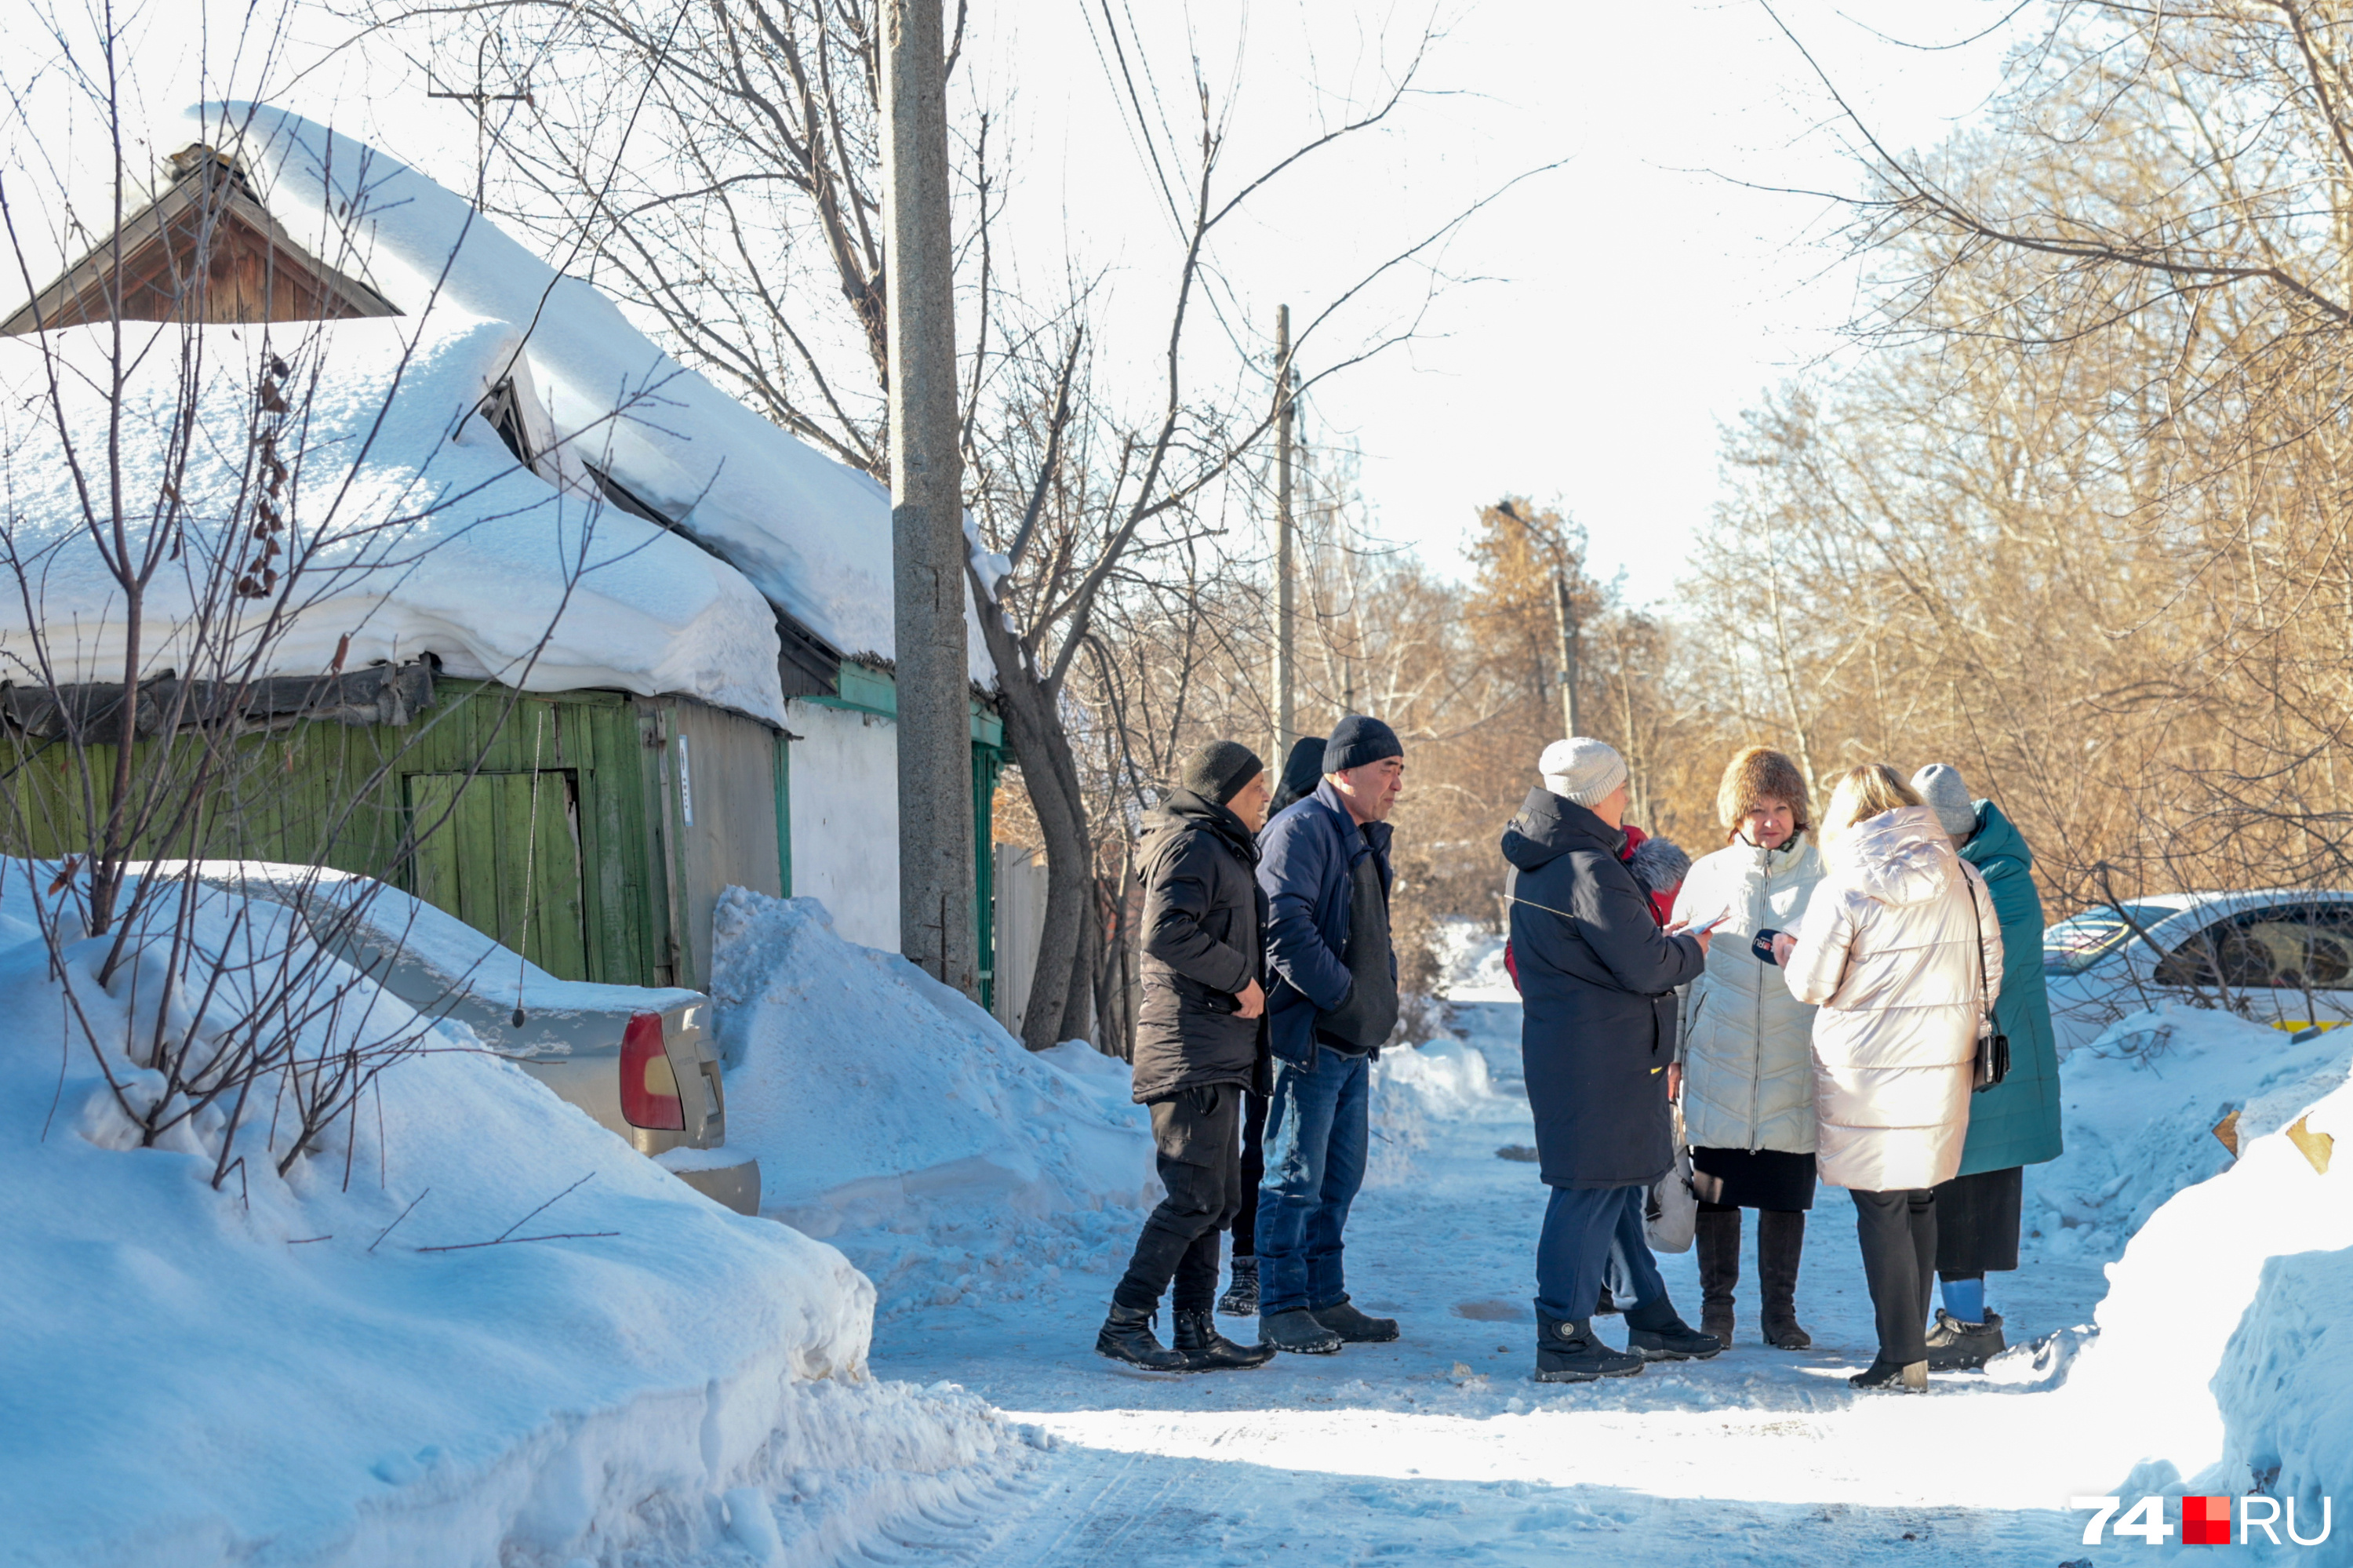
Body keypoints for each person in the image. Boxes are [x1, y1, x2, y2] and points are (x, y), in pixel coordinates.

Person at [1502, 737, 1721, 1382]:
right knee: (1587, 1191)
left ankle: (1648, 1313)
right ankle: (1563, 1335)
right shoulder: (1589, 869)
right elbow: (1646, 963)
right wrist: (1695, 944)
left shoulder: (1541, 861)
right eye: (1621, 787)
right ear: (1600, 793)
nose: (1627, 799)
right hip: (1599, 1056)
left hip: (1581, 1048)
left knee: (1616, 1187)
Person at [1777, 765, 2000, 1392]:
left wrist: (1789, 952)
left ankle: (1899, 1355)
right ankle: (1912, 1351)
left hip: (1866, 1068)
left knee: (1879, 1204)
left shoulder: (1845, 885)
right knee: (1921, 1195)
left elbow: (1812, 984)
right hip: (1943, 1057)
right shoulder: (1964, 874)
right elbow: (1990, 968)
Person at [1096, 740, 1278, 1373]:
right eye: (1258, 789)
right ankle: (1125, 1319)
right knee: (1193, 1198)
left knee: (1216, 1198)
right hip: (1189, 1047)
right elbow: (1168, 931)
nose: (1267, 799)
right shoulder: (1194, 844)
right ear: (1225, 790)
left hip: (1214, 1047)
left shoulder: (1219, 846)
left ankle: (1196, 1330)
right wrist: (1240, 978)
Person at [1253, 715, 1408, 1355]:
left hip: (1351, 1042)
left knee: (1338, 1179)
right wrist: (1344, 995)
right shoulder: (1303, 829)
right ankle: (1282, 1305)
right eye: (1386, 769)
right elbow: (1284, 929)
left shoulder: (1363, 835)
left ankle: (1324, 1295)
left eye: (1401, 770)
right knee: (1293, 1176)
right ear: (1343, 771)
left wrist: (1376, 998)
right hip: (1313, 1036)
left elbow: (1370, 933)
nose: (1397, 783)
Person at [1671, 747, 1827, 1349]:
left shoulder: (1825, 879)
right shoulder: (1705, 875)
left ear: (1798, 813)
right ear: (1735, 815)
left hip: (1794, 1056)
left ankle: (1780, 1314)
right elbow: (1680, 974)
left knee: (1786, 1193)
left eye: (1782, 807)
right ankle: (1717, 1310)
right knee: (1718, 1192)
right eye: (1757, 808)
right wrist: (1675, 1054)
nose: (1770, 821)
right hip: (1719, 1055)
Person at [1911, 763, 2064, 1369]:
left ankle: (1970, 1324)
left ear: (1959, 834)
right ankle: (1962, 1318)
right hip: (1963, 1061)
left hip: (1994, 1069)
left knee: (1970, 1194)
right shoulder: (1961, 875)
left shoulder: (2003, 881)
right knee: (1950, 1188)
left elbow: (1972, 966)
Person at [1219, 736, 1330, 1320]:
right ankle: (1250, 1268)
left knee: (1281, 1148)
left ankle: (1278, 1268)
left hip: (1284, 1013)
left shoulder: (1320, 833)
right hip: (1274, 1015)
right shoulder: (1287, 835)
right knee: (1270, 1147)